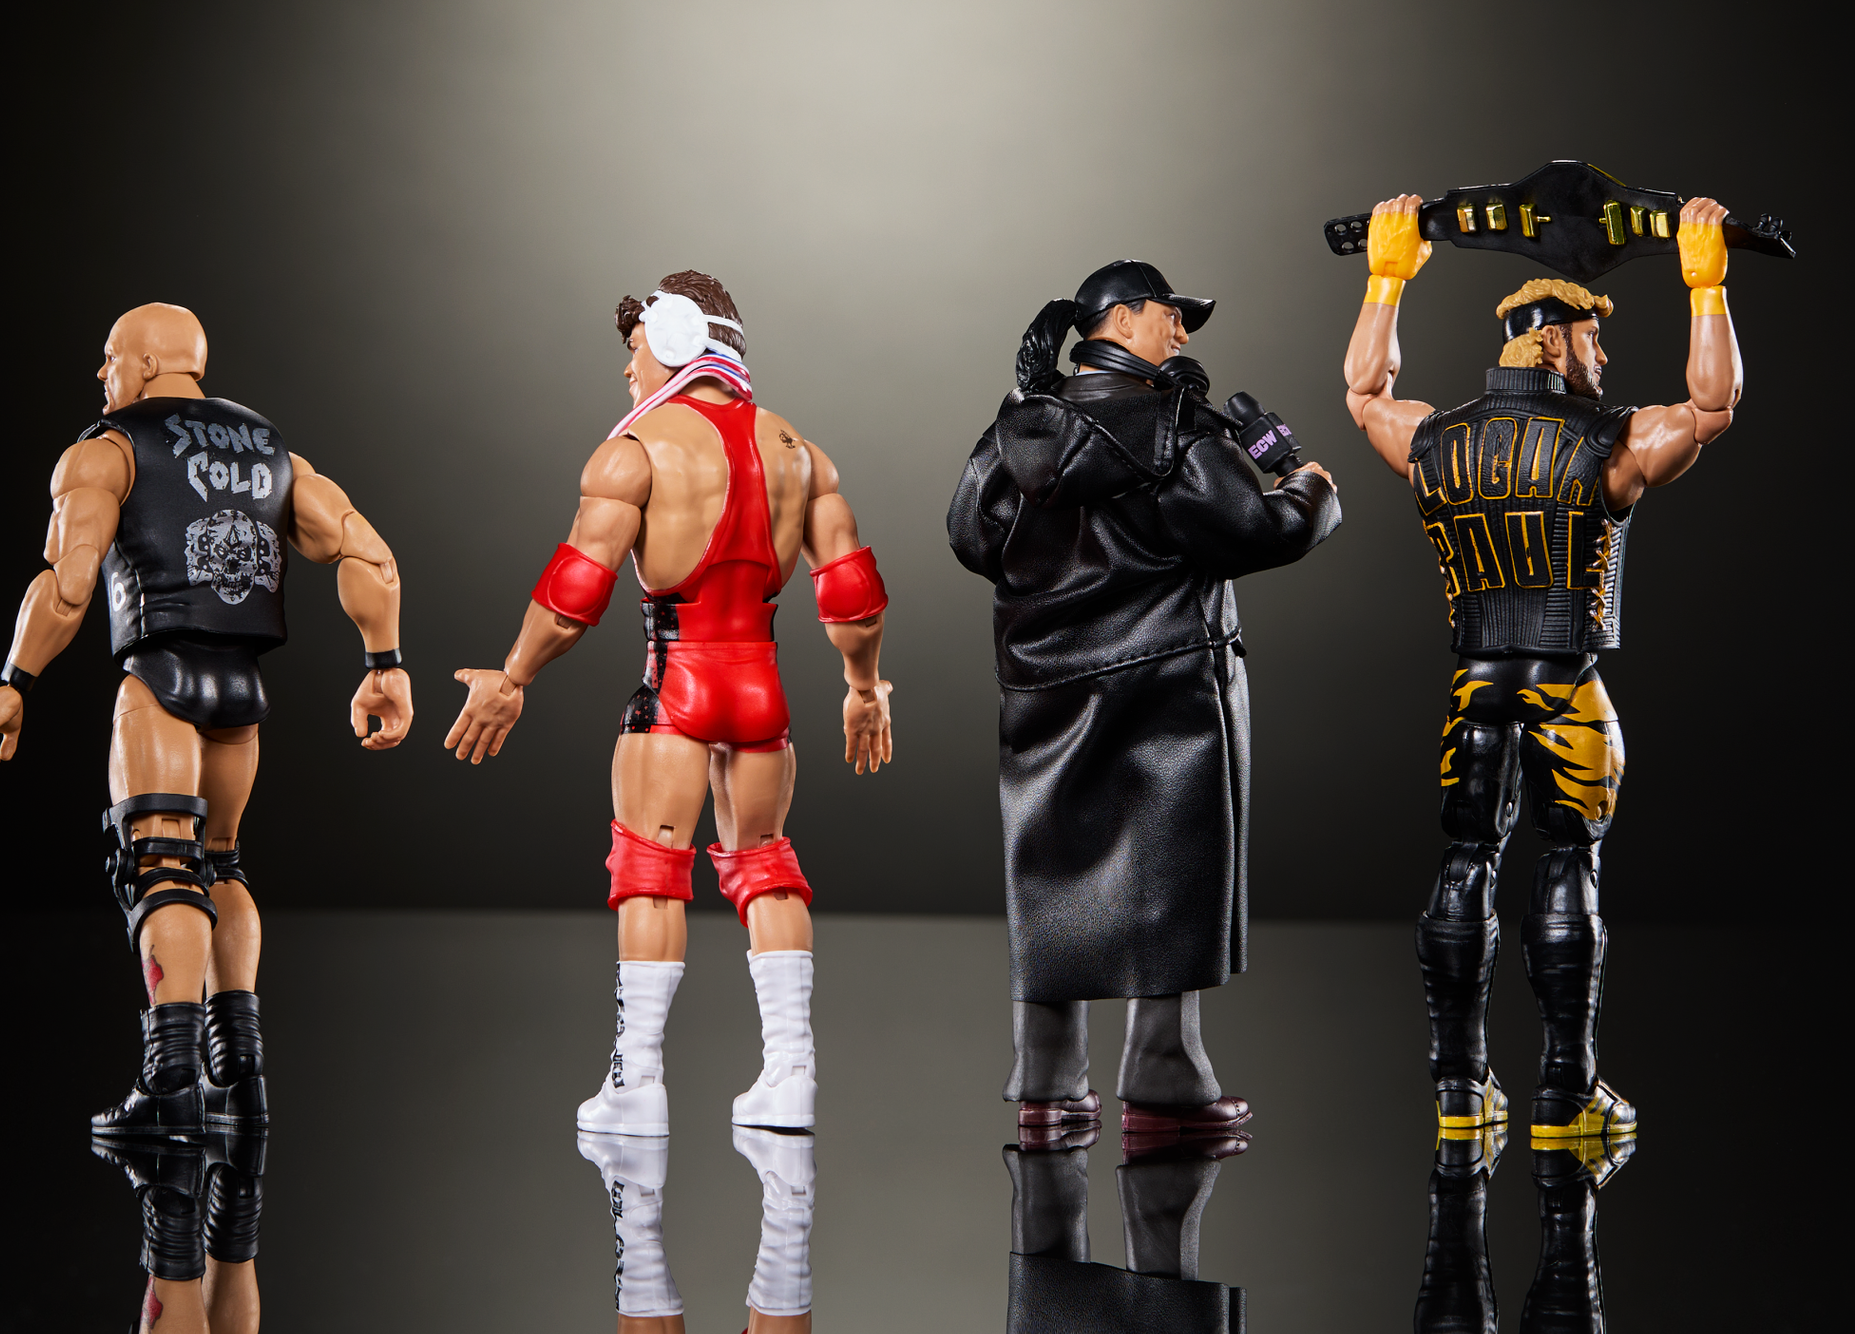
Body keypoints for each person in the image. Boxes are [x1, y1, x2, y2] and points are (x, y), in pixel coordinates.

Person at [446, 270, 892, 1135]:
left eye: (636, 347)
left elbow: (575, 593)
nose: (628, 368)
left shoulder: (636, 450)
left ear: (681, 340)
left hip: (677, 689)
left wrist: (512, 677)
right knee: (766, 865)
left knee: (651, 872)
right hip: (762, 696)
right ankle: (792, 1074)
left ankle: (637, 1084)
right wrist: (865, 690)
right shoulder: (801, 451)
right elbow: (853, 599)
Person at [1341, 195, 1742, 1141]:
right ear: (1556, 343)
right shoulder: (1612, 441)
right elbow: (1713, 407)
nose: (1603, 355)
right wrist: (1707, 289)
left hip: (1475, 682)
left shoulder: (1436, 439)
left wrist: (1385, 277)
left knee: (1465, 858)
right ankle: (1566, 1096)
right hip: (1564, 681)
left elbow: (1363, 396)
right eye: (1593, 339)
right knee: (1569, 859)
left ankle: (1458, 1092)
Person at [0, 303, 413, 1137]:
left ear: (143, 362)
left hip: (160, 679)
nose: (102, 374)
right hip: (243, 692)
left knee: (161, 865)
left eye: (109, 358)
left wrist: (13, 682)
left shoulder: (108, 449)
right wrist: (383, 666)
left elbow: (67, 583)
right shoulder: (274, 451)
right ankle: (240, 1077)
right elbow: (370, 555)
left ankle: (169, 1083)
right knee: (222, 864)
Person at [948, 260, 1341, 1136]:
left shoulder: (1016, 429)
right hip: (1168, 682)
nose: (1183, 332)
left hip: (1044, 687)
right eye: (1172, 315)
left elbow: (970, 536)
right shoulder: (1179, 429)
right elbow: (1259, 530)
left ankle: (1046, 1080)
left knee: (1051, 871)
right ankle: (1164, 1069)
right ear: (1122, 321)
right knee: (1174, 879)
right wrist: (1309, 485)